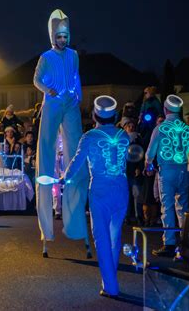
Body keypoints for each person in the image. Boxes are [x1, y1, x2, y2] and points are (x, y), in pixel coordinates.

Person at [33, 9, 90, 257]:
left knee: (76, 153)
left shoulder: (74, 55)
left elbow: (76, 76)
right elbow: (35, 79)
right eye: (59, 36)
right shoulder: (45, 57)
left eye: (66, 36)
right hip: (53, 103)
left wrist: (79, 93)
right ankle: (47, 229)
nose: (63, 40)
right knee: (45, 152)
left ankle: (75, 223)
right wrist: (48, 90)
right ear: (52, 36)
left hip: (70, 105)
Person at [61, 96, 130, 298]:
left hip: (100, 190)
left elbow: (76, 163)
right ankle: (111, 280)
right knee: (115, 237)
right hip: (121, 189)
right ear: (115, 115)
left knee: (101, 238)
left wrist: (64, 179)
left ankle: (111, 287)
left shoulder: (89, 136)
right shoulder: (124, 136)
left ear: (94, 115)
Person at [145, 95, 189, 257]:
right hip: (184, 169)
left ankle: (169, 243)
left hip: (167, 170)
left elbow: (151, 151)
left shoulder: (161, 128)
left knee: (167, 206)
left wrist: (148, 164)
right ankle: (186, 241)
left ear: (165, 109)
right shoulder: (187, 129)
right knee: (183, 206)